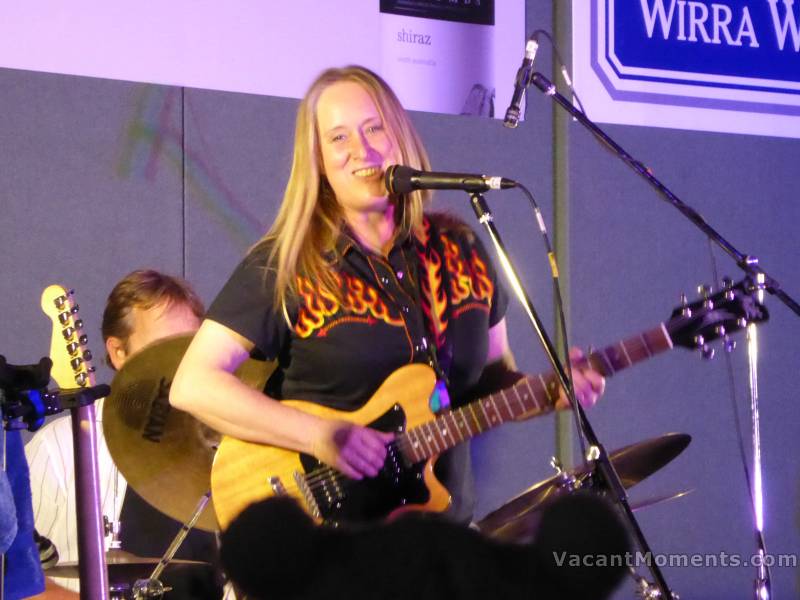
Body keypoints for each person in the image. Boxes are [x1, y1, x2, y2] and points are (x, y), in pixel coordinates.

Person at [170, 65, 605, 526]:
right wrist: (319, 435)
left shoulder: (462, 251)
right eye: (338, 138)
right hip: (328, 545)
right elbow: (194, 384)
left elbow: (491, 380)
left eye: (374, 127)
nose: (363, 149)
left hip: (439, 534)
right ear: (317, 160)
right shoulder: (288, 264)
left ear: (400, 136)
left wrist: (548, 392)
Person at [25, 270, 224, 598]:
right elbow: (17, 578)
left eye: (188, 346)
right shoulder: (59, 449)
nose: (179, 361)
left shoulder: (225, 448)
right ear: (118, 352)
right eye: (162, 347)